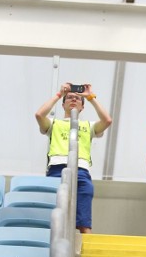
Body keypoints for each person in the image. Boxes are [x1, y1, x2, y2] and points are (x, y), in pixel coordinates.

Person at [35, 83, 112, 234]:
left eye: (77, 98)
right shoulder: (54, 123)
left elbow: (107, 120)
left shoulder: (88, 125)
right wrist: (59, 94)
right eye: (69, 97)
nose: (73, 99)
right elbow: (39, 114)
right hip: (57, 169)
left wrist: (90, 97)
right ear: (63, 104)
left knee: (84, 221)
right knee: (56, 216)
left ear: (82, 106)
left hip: (81, 170)